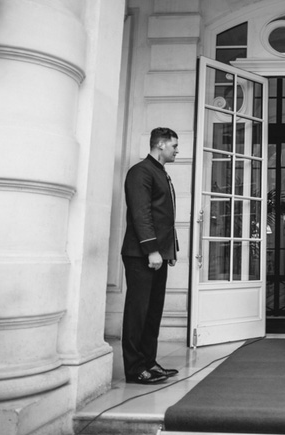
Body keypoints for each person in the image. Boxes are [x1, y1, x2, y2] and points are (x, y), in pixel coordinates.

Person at [121, 127, 180, 384]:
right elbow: (141, 214)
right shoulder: (140, 172)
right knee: (138, 312)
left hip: (158, 254)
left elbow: (166, 217)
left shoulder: (159, 172)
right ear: (160, 145)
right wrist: (153, 250)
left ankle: (148, 362)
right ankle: (135, 369)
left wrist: (169, 250)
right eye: (174, 145)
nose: (177, 150)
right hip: (141, 255)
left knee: (153, 311)